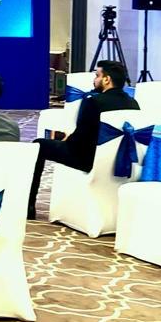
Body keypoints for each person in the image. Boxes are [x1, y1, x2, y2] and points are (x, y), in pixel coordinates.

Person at [28, 59, 139, 218]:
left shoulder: (93, 102)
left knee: (38, 145)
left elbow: (80, 139)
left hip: (87, 159)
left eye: (97, 75)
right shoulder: (133, 104)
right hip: (120, 160)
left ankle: (29, 206)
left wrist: (66, 140)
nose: (95, 80)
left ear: (107, 79)